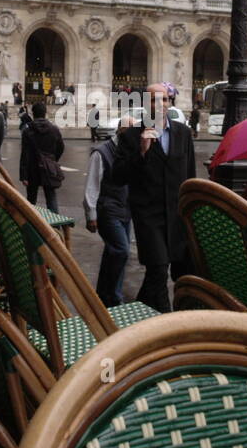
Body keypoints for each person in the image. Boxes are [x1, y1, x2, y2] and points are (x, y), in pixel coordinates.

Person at [110, 81, 196, 313]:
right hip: (148, 216)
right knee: (158, 268)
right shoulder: (132, 136)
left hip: (177, 215)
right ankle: (167, 324)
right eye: (153, 100)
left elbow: (190, 175)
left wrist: (192, 212)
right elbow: (117, 176)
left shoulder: (183, 134)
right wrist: (142, 152)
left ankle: (137, 313)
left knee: (169, 273)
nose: (160, 104)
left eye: (165, 99)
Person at [84, 116, 136, 306]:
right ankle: (114, 296)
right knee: (121, 250)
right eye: (130, 131)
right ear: (121, 131)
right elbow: (92, 185)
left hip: (124, 208)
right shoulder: (101, 152)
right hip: (107, 209)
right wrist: (91, 215)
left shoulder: (130, 149)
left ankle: (103, 294)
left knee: (113, 251)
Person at [20, 101, 65, 213]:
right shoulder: (54, 129)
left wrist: (23, 175)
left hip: (32, 169)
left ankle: (32, 225)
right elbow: (61, 147)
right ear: (45, 113)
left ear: (33, 114)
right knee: (51, 198)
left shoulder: (27, 130)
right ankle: (55, 228)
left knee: (31, 201)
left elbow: (25, 154)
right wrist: (52, 160)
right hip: (49, 167)